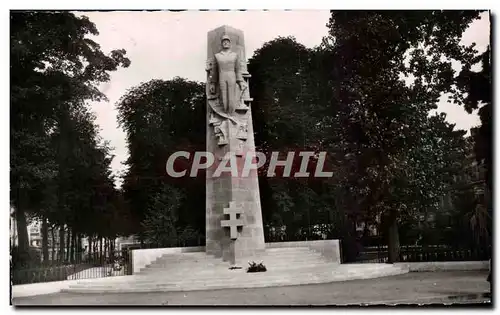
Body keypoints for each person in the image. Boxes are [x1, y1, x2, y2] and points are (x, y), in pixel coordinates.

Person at [212, 35, 246, 114]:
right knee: (223, 99)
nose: (225, 42)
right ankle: (225, 114)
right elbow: (214, 71)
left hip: (232, 76)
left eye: (227, 41)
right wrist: (213, 83)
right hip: (222, 75)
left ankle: (230, 114)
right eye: (224, 41)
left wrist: (240, 82)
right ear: (221, 44)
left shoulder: (234, 55)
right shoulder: (217, 56)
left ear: (230, 43)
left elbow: (238, 70)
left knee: (231, 98)